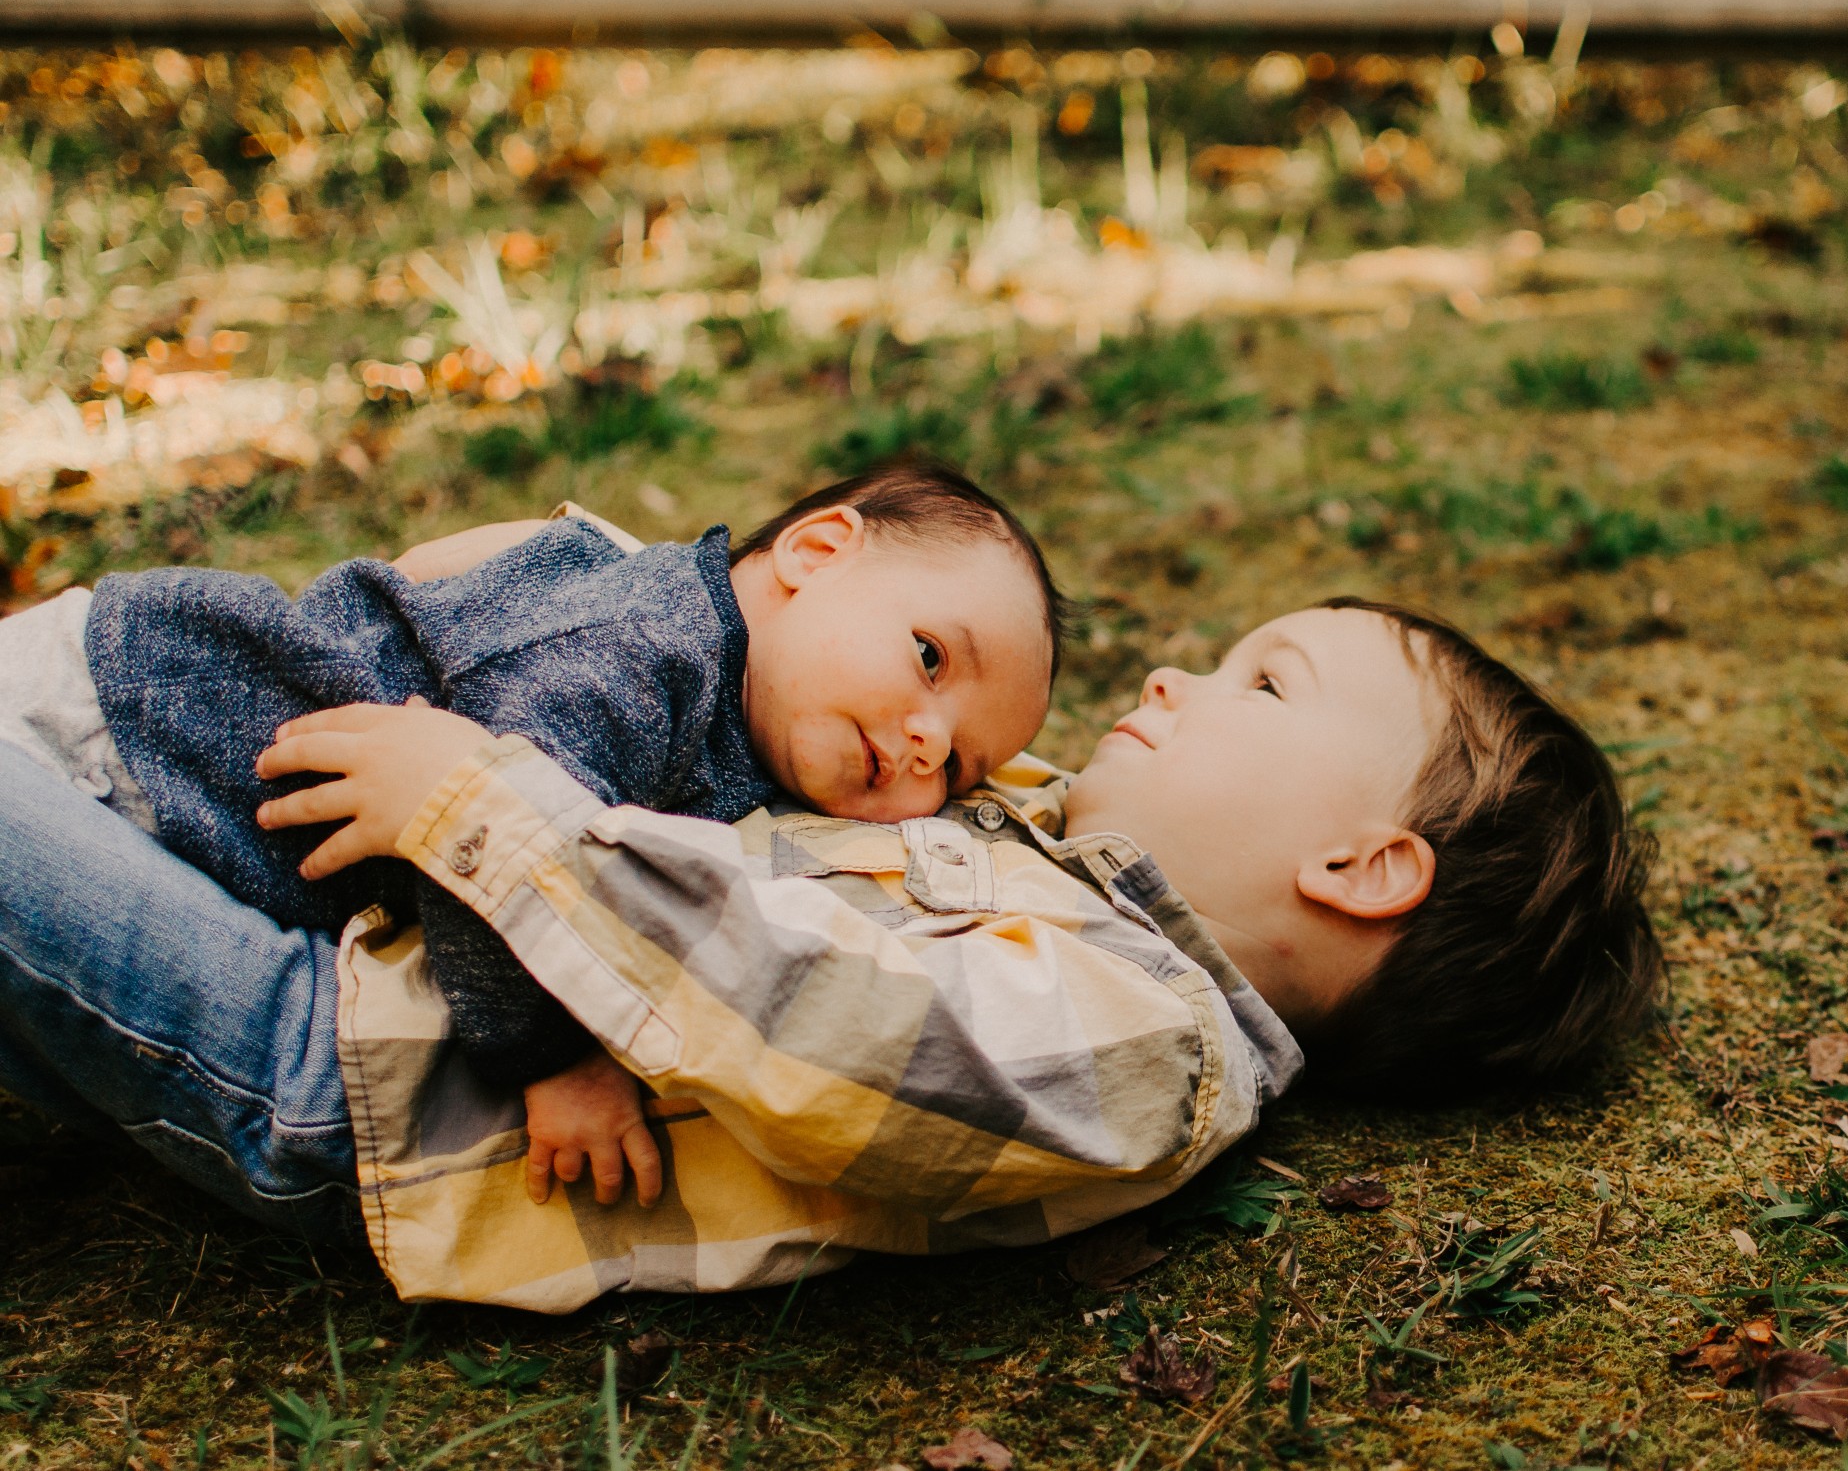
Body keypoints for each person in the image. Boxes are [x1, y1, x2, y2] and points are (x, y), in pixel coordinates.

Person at [0, 586, 1660, 1312]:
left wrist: (491, 811)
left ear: (1361, 867)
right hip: (371, 953)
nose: (1175, 680)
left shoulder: (1140, 1055)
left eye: (1261, 684)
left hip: (349, 1082)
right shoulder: (1051, 860)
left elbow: (835, 1028)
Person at [0, 461, 1062, 1210]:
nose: (927, 742)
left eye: (962, 764)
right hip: (130, 732)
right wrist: (551, 1059)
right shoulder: (648, 652)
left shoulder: (736, 700)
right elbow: (484, 829)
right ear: (817, 552)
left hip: (159, 776)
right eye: (930, 658)